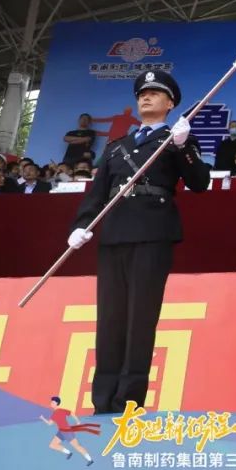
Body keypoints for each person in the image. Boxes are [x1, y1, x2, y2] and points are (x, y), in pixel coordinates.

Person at [65, 70, 209, 414]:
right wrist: (81, 225)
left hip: (152, 234)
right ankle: (103, 400)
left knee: (140, 319)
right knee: (110, 319)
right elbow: (97, 193)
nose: (146, 97)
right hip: (114, 235)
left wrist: (182, 146)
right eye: (142, 93)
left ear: (170, 103)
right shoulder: (117, 147)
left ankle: (128, 400)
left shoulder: (177, 139)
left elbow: (199, 182)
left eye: (155, 93)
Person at [40, 395, 98, 465]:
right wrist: (43, 418)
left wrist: (77, 421)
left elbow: (71, 413)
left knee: (77, 446)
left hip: (67, 432)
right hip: (61, 432)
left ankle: (90, 459)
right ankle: (68, 453)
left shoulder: (61, 410)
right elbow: (50, 423)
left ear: (56, 403)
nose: (51, 404)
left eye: (53, 402)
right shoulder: (54, 414)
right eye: (51, 402)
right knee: (52, 445)